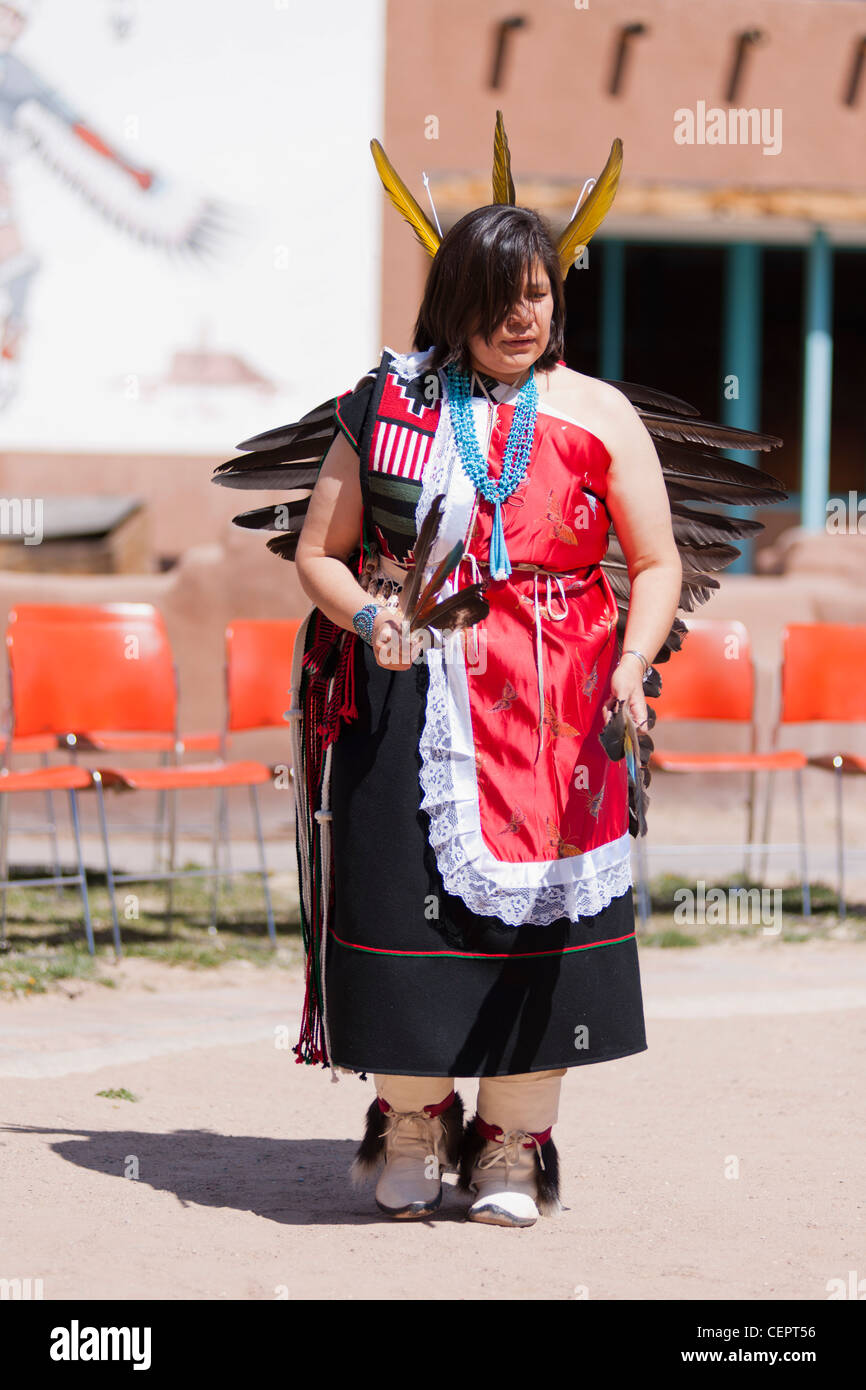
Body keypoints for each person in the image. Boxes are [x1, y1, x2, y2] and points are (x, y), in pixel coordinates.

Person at [214, 120, 785, 1228]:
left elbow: (658, 559)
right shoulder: (388, 407)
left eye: (539, 295)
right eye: (500, 296)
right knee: (402, 914)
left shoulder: (597, 412)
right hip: (409, 696)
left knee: (543, 934)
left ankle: (513, 1145)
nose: (524, 317)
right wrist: (372, 614)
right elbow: (318, 553)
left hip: (562, 702)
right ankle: (414, 1118)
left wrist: (628, 662)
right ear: (452, 300)